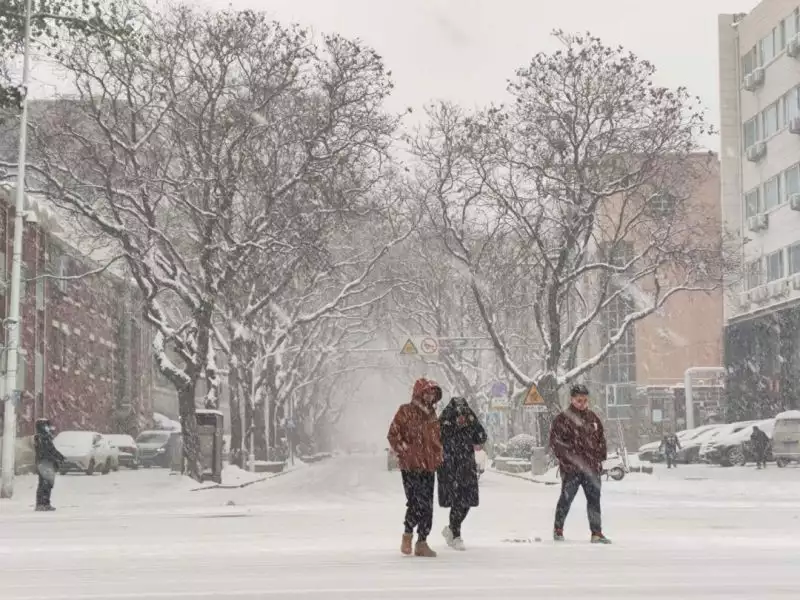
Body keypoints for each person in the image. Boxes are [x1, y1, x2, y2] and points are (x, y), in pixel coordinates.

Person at [387, 378, 443, 557]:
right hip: (411, 466)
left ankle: (422, 541)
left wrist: (439, 454)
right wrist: (405, 450)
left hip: (429, 465)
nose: (430, 395)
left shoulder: (433, 414)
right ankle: (408, 533)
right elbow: (393, 434)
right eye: (427, 392)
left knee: (427, 504)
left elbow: (436, 439)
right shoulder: (405, 411)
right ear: (419, 393)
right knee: (415, 502)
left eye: (433, 392)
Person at [549, 384, 611, 544]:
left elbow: (601, 440)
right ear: (572, 399)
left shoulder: (593, 418)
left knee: (594, 500)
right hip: (572, 470)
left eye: (585, 400)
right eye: (579, 400)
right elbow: (556, 444)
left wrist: (599, 459)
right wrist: (567, 462)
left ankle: (596, 532)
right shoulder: (562, 419)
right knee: (566, 499)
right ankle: (558, 529)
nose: (582, 403)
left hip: (591, 469)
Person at [437, 397, 488, 551]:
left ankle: (452, 529)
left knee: (467, 501)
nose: (460, 415)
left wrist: (472, 421)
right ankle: (457, 535)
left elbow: (481, 437)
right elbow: (437, 438)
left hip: (466, 466)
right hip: (449, 467)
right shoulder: (445, 421)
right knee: (456, 501)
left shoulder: (469, 421)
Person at [34, 418, 65, 512]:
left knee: (48, 484)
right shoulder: (40, 438)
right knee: (44, 484)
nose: (48, 428)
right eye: (46, 426)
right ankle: (41, 504)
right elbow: (45, 451)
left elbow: (52, 449)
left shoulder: (47, 437)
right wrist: (54, 458)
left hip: (48, 463)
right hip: (44, 463)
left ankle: (46, 503)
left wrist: (60, 457)